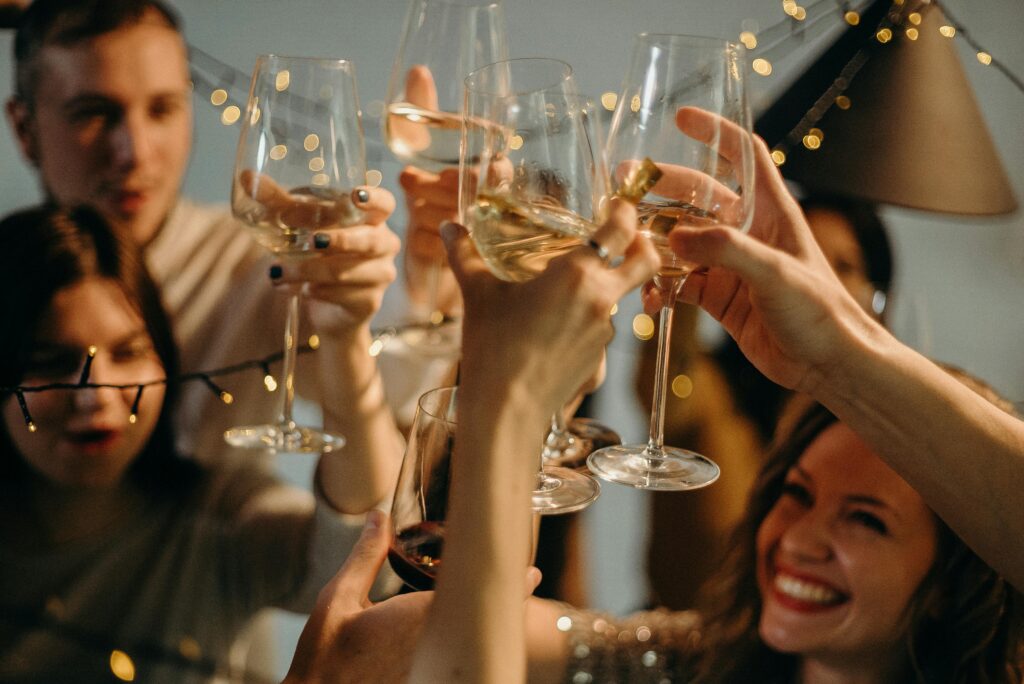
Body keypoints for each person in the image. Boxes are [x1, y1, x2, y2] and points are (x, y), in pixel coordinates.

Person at [280, 107, 1024, 683]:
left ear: (958, 578)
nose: (798, 538)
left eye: (866, 521)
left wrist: (508, 398)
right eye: (793, 494)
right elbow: (442, 644)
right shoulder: (689, 660)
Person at [0, 204, 400, 683]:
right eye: (52, 361)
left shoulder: (218, 521)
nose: (95, 395)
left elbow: (366, 567)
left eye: (128, 353)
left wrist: (345, 338)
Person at [5, 0, 405, 462]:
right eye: (94, 113)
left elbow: (401, 401)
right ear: (24, 128)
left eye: (162, 109)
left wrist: (410, 283)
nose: (135, 151)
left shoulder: (261, 268)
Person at [641, 193, 895, 610]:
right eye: (797, 258)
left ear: (877, 301)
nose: (815, 281)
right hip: (683, 644)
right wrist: (682, 268)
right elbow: (667, 388)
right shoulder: (712, 389)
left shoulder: (875, 437)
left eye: (843, 267)